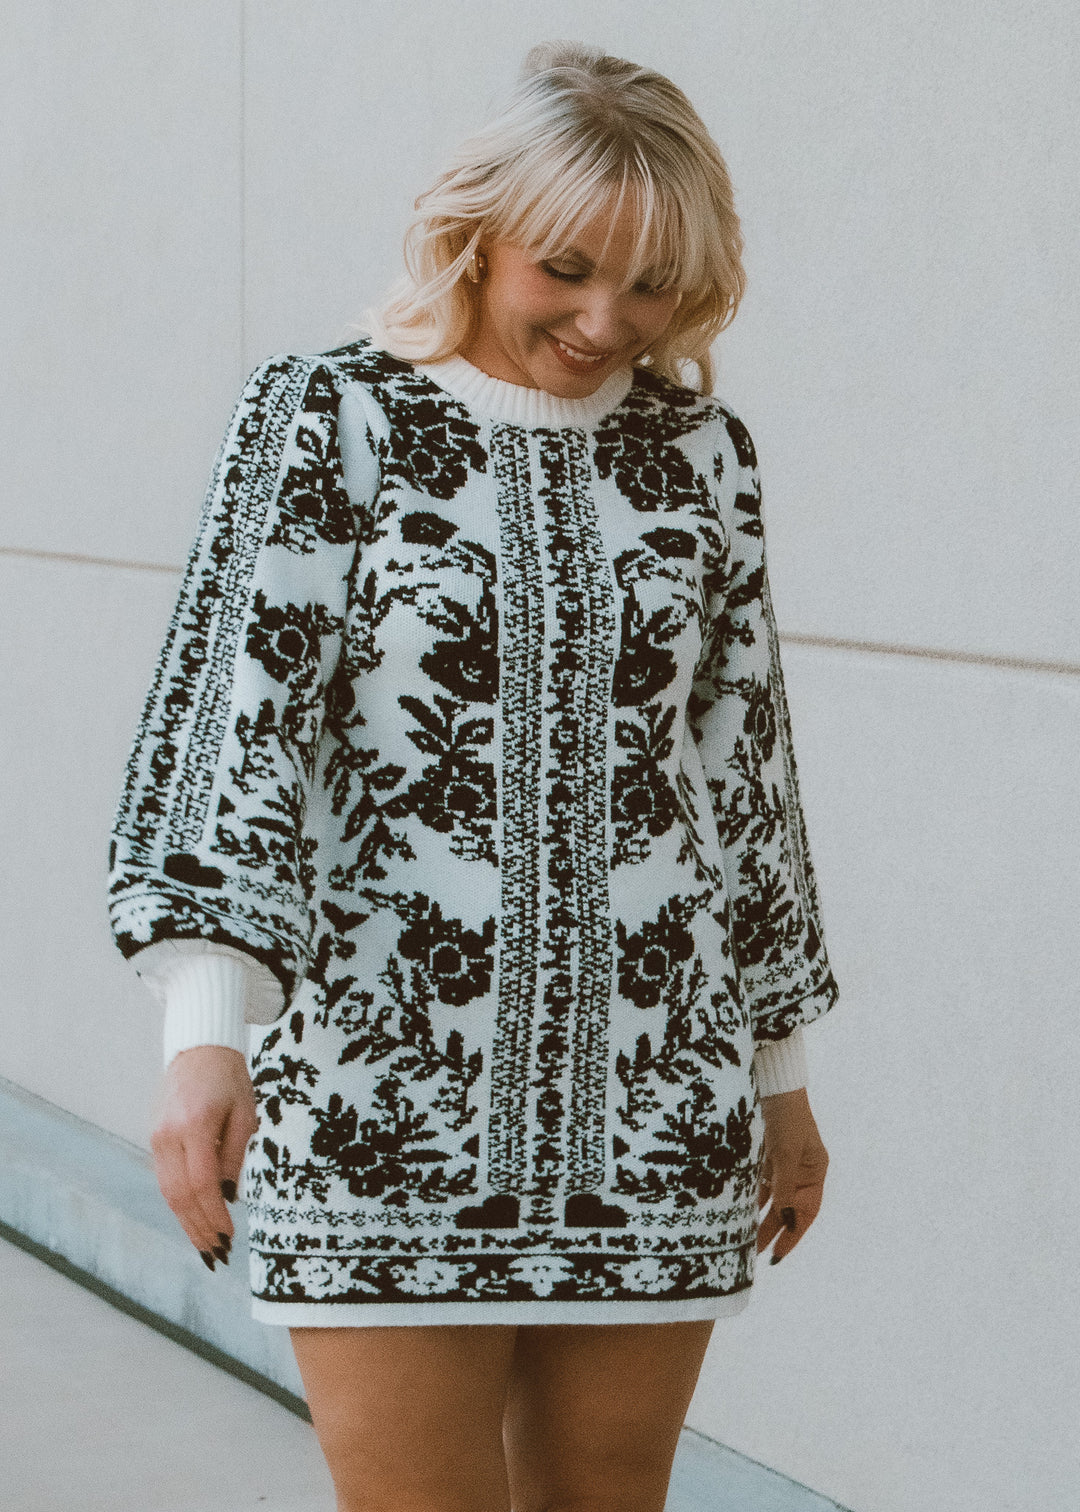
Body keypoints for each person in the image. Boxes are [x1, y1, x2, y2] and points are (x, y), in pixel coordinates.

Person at [108, 40, 838, 1512]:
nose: (603, 318)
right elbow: (230, 725)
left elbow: (741, 764)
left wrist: (781, 1078)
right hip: (378, 1089)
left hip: (656, 1097)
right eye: (566, 266)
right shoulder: (330, 416)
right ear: (475, 229)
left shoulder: (701, 456)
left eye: (648, 285)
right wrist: (204, 1038)